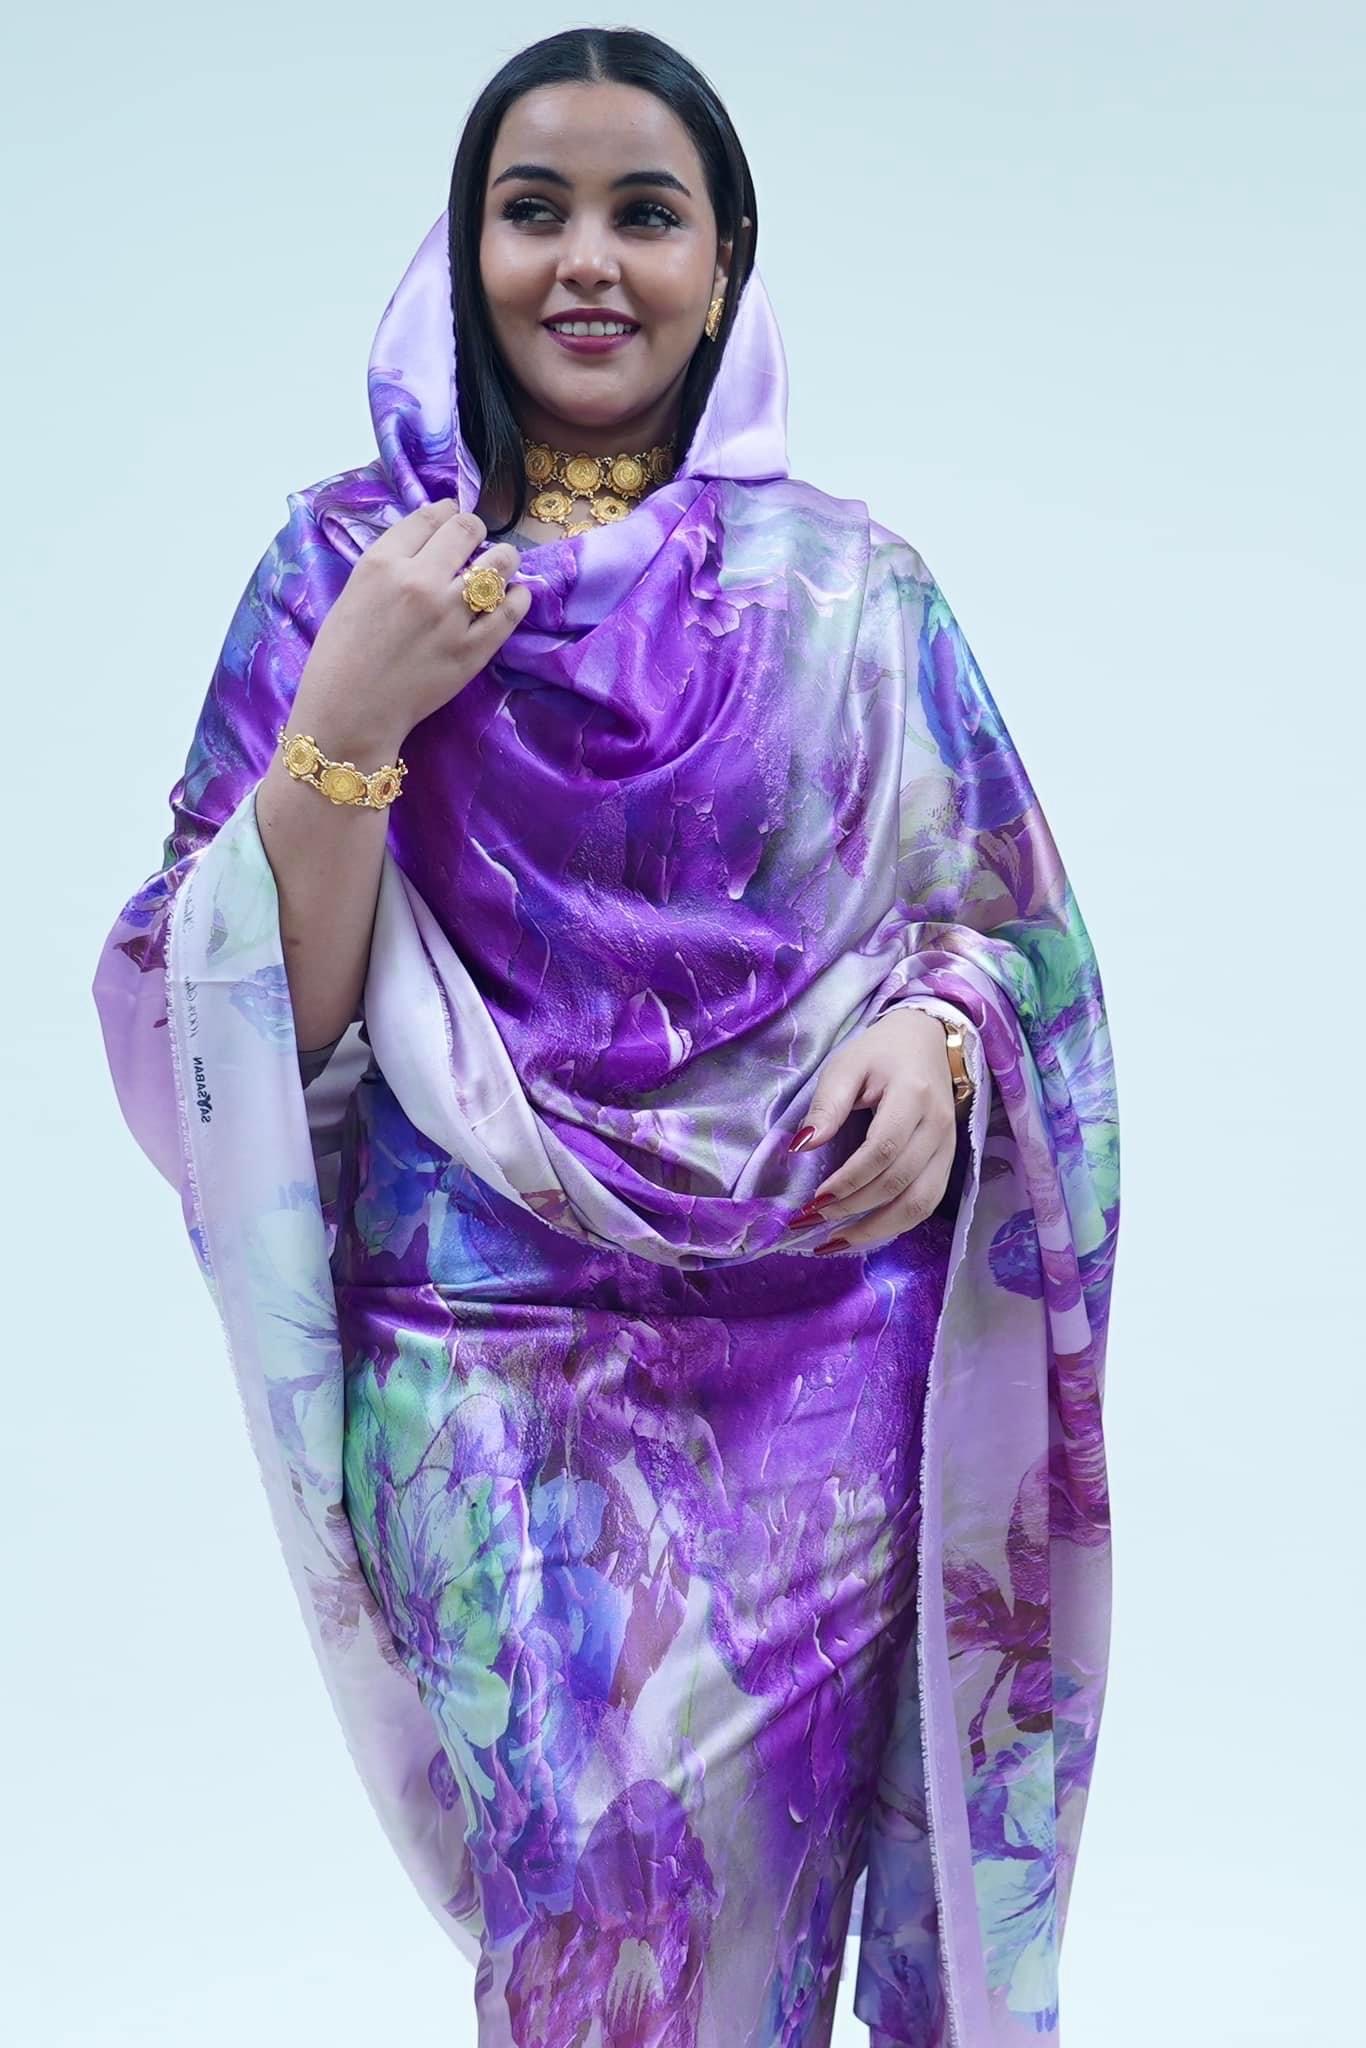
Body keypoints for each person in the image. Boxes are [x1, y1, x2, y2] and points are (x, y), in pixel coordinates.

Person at [91, 25, 1120, 2048]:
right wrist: (351, 718)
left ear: (723, 266)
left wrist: (940, 1046)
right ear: (460, 248)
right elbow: (236, 1025)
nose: (586, 259)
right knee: (595, 1901)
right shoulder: (349, 574)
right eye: (531, 209)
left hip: (818, 1357)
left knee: (765, 1922)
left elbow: (1012, 939)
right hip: (481, 1356)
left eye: (644, 214)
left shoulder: (849, 594)